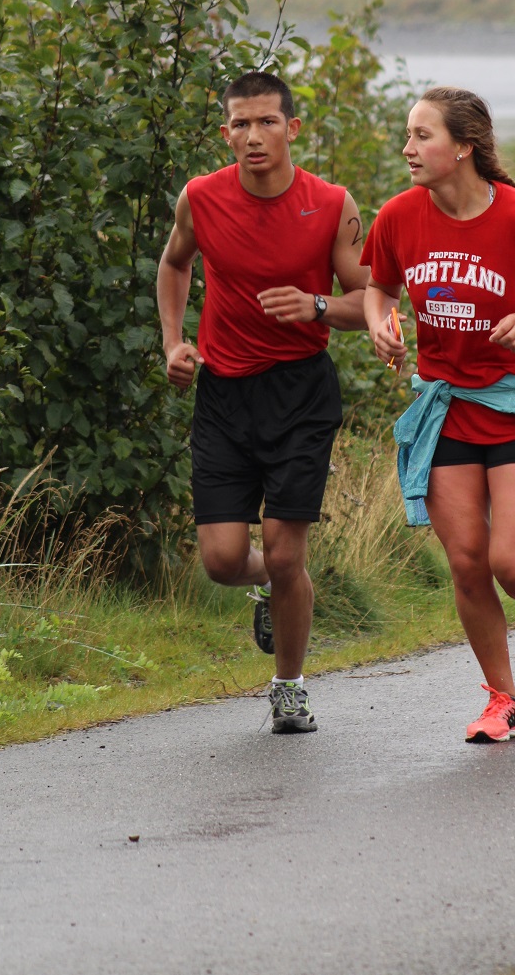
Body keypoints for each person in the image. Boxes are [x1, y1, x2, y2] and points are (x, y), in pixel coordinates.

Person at [363, 86, 515, 744]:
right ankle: (503, 698)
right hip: (447, 407)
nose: (408, 148)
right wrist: (379, 324)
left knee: (510, 562)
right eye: (408, 134)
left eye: (422, 136)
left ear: (463, 146)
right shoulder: (399, 216)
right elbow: (378, 286)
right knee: (468, 562)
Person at [157, 70, 369, 734]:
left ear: (293, 129)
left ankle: (289, 685)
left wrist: (314, 305)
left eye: (267, 123)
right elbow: (173, 263)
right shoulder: (201, 197)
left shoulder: (331, 204)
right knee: (222, 560)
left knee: (285, 552)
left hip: (300, 391)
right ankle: (272, 590)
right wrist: (173, 342)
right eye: (240, 125)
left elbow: (371, 302)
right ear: (226, 132)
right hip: (223, 392)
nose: (253, 137)